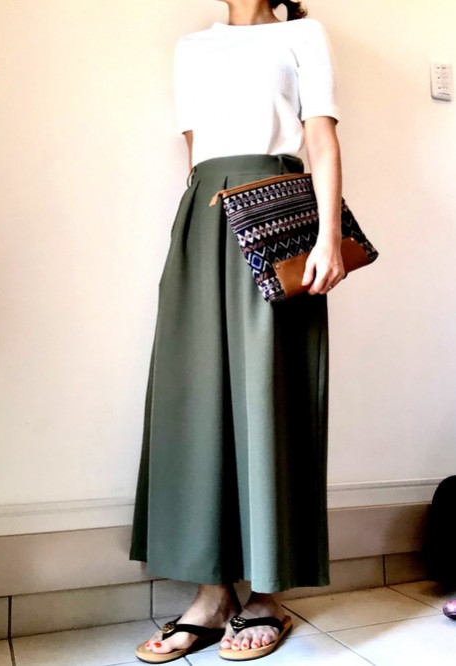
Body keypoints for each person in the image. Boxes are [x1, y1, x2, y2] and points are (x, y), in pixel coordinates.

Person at [130, 0, 346, 661]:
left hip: (277, 215)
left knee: (270, 397)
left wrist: (328, 236)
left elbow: (320, 139)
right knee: (197, 398)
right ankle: (212, 592)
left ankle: (268, 594)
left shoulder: (304, 34)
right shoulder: (192, 48)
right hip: (203, 218)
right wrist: (199, 236)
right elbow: (195, 151)